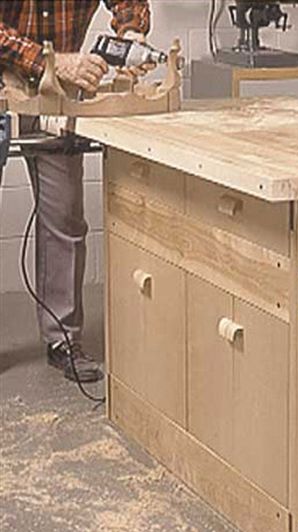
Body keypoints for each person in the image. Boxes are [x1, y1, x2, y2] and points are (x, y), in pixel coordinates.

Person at [0, 1, 151, 383]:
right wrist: (53, 61)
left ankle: (62, 339)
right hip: (9, 78)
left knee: (64, 215)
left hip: (56, 94)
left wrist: (130, 32)